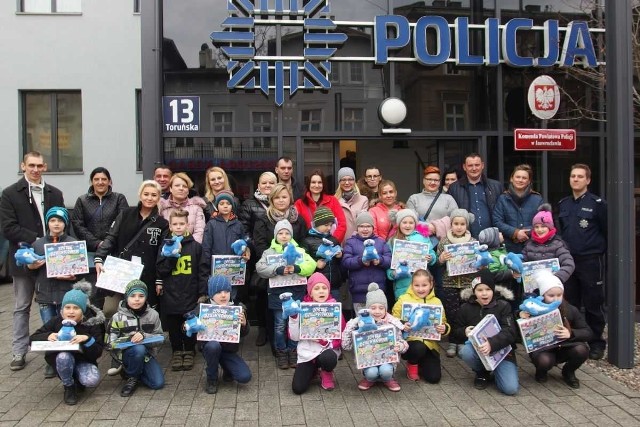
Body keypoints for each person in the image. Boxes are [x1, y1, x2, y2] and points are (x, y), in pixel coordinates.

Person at [0, 151, 64, 371]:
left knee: (54, 305)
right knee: (22, 306)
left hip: (53, 260)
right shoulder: (9, 194)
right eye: (31, 165)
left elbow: (63, 222)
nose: (35, 169)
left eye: (39, 165)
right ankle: (19, 351)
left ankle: (53, 353)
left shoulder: (55, 193)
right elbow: (8, 227)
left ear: (45, 167)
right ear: (23, 166)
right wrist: (37, 241)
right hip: (24, 258)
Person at [557, 163, 607, 360]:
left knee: (594, 303)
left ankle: (596, 343)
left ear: (588, 180)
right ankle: (575, 340)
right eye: (573, 176)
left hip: (590, 261)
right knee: (571, 303)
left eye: (580, 176)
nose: (575, 179)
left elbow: (606, 231)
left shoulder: (598, 204)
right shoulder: (564, 204)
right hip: (569, 262)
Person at [94, 180, 169, 309]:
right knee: (111, 310)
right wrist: (99, 257)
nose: (149, 198)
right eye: (146, 194)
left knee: (145, 311)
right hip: (122, 270)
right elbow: (111, 237)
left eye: (154, 195)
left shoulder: (162, 223)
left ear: (158, 198)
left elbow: (161, 253)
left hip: (147, 274)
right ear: (140, 195)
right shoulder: (125, 214)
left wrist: (159, 278)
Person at [29, 282, 105, 405]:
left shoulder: (92, 323)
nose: (71, 312)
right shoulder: (56, 321)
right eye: (67, 307)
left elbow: (98, 351)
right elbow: (32, 338)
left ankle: (77, 380)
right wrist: (48, 335)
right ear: (62, 309)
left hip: (83, 360)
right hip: (62, 360)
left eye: (76, 308)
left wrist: (87, 339)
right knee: (64, 356)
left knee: (91, 380)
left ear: (83, 310)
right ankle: (69, 387)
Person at [252, 184, 308, 353]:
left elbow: (304, 243)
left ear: (289, 198)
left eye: (284, 196)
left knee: (293, 313)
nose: (281, 200)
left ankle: (294, 347)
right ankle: (278, 348)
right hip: (274, 273)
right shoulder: (263, 219)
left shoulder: (298, 219)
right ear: (271, 200)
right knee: (276, 314)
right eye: (277, 197)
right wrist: (276, 263)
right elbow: (260, 244)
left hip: (293, 275)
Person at [256, 219, 316, 369]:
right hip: (277, 294)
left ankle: (294, 351)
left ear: (291, 235)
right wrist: (277, 268)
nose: (284, 236)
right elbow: (260, 268)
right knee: (280, 325)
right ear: (275, 235)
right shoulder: (268, 252)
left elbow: (311, 265)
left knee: (295, 324)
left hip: (296, 292)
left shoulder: (300, 250)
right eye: (280, 233)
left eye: (287, 233)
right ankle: (281, 352)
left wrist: (297, 268)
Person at [519, 270, 592, 388]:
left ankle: (568, 371)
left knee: (582, 350)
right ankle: (541, 371)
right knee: (544, 361)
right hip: (544, 348)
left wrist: (571, 333)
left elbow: (588, 332)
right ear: (542, 295)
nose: (555, 299)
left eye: (559, 295)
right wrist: (521, 316)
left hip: (566, 346)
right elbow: (518, 327)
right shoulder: (534, 308)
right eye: (551, 295)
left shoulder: (570, 309)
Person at [453, 269, 519, 396]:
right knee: (465, 351)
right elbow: (456, 331)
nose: (484, 294)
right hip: (478, 350)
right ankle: (481, 372)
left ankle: (498, 373)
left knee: (510, 389)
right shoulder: (465, 308)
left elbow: (510, 332)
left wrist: (492, 344)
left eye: (488, 289)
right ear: (474, 291)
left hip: (502, 353)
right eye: (480, 290)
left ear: (493, 290)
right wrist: (464, 331)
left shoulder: (503, 305)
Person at [71, 166, 129, 308]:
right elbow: (78, 226)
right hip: (91, 253)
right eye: (96, 179)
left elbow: (123, 222)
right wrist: (97, 243)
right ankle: (96, 326)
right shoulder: (82, 200)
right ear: (91, 182)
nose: (100, 182)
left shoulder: (119, 199)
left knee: (116, 295)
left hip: (115, 253)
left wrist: (108, 243)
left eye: (104, 179)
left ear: (110, 182)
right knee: (94, 294)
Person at [156, 209, 204, 372]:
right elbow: (161, 269)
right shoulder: (164, 246)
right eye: (175, 224)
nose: (178, 227)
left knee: (190, 323)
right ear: (170, 226)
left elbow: (202, 270)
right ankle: (177, 351)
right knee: (174, 324)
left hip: (190, 292)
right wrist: (170, 257)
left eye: (181, 224)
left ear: (187, 225)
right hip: (171, 293)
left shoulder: (196, 247)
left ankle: (189, 350)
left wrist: (202, 292)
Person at [341, 283, 408, 392]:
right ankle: (369, 379)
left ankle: (388, 379)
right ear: (367, 309)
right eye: (373, 308)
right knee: (372, 373)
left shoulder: (392, 324)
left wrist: (400, 346)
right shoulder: (360, 324)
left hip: (387, 360)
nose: (377, 311)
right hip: (368, 360)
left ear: (386, 309)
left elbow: (404, 343)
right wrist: (352, 325)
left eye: (381, 308)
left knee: (386, 371)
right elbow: (345, 346)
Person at [287, 272, 345, 394]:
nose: (321, 291)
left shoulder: (335, 308)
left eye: (324, 288)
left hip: (326, 351)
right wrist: (293, 317)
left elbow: (341, 334)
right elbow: (294, 337)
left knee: (328, 357)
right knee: (298, 388)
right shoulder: (302, 308)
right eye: (317, 288)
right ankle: (313, 371)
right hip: (308, 352)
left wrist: (325, 342)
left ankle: (327, 372)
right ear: (310, 292)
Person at [237, 171, 277, 346]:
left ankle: (275, 328)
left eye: (271, 183)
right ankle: (262, 328)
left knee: (275, 293)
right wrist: (257, 247)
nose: (267, 186)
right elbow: (244, 229)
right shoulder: (249, 204)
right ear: (258, 185)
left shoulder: (281, 203)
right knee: (260, 294)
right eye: (264, 183)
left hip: (279, 256)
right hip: (257, 255)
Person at [108, 280, 165, 397]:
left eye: (141, 296)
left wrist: (144, 336)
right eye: (132, 296)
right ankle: (131, 377)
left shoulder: (153, 314)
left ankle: (135, 372)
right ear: (126, 297)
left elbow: (160, 338)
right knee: (138, 349)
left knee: (157, 383)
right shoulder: (117, 317)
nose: (137, 299)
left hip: (147, 355)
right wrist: (128, 340)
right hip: (126, 355)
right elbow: (109, 343)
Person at [392, 269, 449, 383]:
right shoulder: (403, 299)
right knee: (418, 348)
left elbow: (444, 322)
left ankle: (422, 363)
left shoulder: (437, 301)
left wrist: (444, 328)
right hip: (411, 343)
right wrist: (403, 324)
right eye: (416, 285)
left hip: (430, 344)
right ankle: (412, 364)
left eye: (424, 285)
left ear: (431, 284)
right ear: (411, 285)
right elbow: (393, 319)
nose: (421, 289)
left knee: (433, 378)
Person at [436, 209, 478, 357]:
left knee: (465, 313)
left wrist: (476, 262)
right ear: (451, 224)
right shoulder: (444, 241)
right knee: (452, 313)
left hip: (467, 285)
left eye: (462, 224)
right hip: (449, 283)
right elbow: (437, 262)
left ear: (467, 225)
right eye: (456, 223)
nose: (459, 227)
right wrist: (442, 258)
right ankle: (453, 341)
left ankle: (463, 342)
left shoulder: (472, 242)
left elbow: (478, 263)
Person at [200, 275, 252, 394]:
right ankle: (212, 378)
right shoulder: (203, 308)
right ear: (211, 294)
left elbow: (244, 334)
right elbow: (187, 324)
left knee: (245, 377)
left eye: (226, 291)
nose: (223, 295)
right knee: (213, 346)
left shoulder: (236, 308)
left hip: (228, 350)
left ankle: (227, 368)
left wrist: (244, 324)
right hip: (210, 348)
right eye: (218, 292)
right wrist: (188, 325)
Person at [200, 190, 250, 302]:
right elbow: (206, 248)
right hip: (216, 270)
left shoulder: (238, 224)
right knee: (217, 298)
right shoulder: (211, 224)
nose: (225, 206)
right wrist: (207, 269)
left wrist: (245, 251)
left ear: (232, 206)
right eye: (221, 204)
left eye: (228, 203)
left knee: (231, 298)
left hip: (234, 270)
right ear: (217, 206)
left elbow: (243, 244)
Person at [342, 212, 392, 312]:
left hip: (378, 290)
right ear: (357, 228)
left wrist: (379, 261)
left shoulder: (380, 242)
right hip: (359, 291)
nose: (365, 229)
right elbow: (346, 262)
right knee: (362, 320)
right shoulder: (351, 242)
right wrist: (361, 261)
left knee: (378, 318)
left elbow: (390, 260)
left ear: (373, 228)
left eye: (368, 226)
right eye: (361, 226)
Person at [447, 153, 504, 237]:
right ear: (464, 167)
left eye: (477, 165)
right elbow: (450, 214)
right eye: (470, 165)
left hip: (492, 236)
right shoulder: (454, 188)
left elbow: (503, 212)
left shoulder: (496, 186)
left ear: (482, 165)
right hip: (465, 238)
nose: (474, 168)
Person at [386, 209, 436, 299]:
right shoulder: (392, 241)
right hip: (402, 285)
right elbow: (388, 261)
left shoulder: (422, 237)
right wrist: (392, 273)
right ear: (399, 224)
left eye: (411, 222)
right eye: (404, 222)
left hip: (422, 284)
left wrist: (431, 258)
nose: (408, 225)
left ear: (415, 224)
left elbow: (432, 253)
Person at [493, 164, 543, 253]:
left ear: (529, 181)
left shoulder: (537, 199)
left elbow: (543, 222)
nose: (520, 180)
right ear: (511, 179)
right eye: (518, 177)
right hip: (508, 248)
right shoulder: (503, 199)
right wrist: (515, 233)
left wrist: (526, 233)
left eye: (524, 178)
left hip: (533, 247)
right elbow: (497, 221)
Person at [520, 204, 575, 285]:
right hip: (533, 287)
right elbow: (522, 262)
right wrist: (519, 272)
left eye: (543, 226)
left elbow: (569, 264)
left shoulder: (558, 244)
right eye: (536, 227)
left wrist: (557, 278)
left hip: (553, 287)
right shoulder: (529, 244)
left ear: (550, 227)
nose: (540, 230)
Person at [301, 207, 343, 301]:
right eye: (326, 225)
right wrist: (315, 264)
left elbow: (340, 262)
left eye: (331, 225)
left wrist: (340, 256)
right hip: (316, 287)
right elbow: (303, 261)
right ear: (317, 224)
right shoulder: (307, 241)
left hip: (334, 284)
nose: (329, 228)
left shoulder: (333, 239)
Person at [294, 169, 347, 242]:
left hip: (330, 246)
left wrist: (333, 241)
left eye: (319, 182)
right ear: (308, 184)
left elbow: (342, 224)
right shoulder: (299, 203)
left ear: (323, 184)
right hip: (308, 246)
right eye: (313, 182)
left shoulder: (333, 201)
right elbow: (296, 228)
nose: (316, 185)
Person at [159, 172, 206, 243]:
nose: (181, 188)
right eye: (177, 185)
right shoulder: (163, 208)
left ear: (188, 191)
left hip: (190, 248)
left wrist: (186, 245)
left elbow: (200, 232)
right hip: (168, 249)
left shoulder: (197, 208)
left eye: (184, 186)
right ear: (171, 189)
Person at [334, 167, 368, 245]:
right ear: (339, 182)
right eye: (343, 180)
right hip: (340, 244)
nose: (347, 183)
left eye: (350, 179)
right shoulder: (334, 201)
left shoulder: (363, 200)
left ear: (354, 181)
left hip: (358, 243)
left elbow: (363, 222)